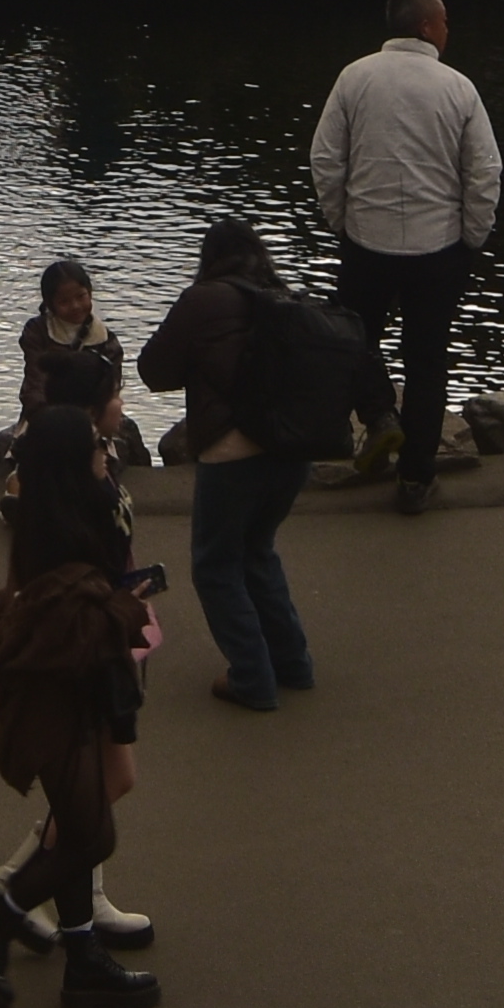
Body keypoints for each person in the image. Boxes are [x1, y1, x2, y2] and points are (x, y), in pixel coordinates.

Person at [0, 409, 168, 1008]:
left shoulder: (48, 520)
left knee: (78, 828)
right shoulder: (64, 540)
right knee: (91, 833)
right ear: (73, 461)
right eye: (97, 445)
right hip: (53, 708)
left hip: (63, 699)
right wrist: (127, 606)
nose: (107, 451)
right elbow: (73, 629)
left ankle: (81, 959)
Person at [137, 218, 377, 715]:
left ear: (209, 258)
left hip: (232, 453)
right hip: (291, 453)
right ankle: (293, 665)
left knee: (216, 566)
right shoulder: (283, 296)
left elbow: (153, 370)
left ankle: (251, 677)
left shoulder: (202, 300)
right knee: (257, 552)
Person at [308, 0, 504, 513]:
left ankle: (378, 416)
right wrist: (472, 236)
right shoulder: (458, 88)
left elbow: (325, 158)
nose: (448, 29)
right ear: (426, 27)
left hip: (366, 242)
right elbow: (484, 172)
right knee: (426, 361)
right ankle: (416, 477)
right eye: (444, 21)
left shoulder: (355, 78)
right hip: (437, 247)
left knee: (355, 341)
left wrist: (341, 220)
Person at [17, 259, 128, 450]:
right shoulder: (38, 331)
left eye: (81, 296)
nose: (75, 306)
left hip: (94, 416)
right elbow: (35, 381)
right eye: (64, 302)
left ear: (90, 293)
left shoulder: (106, 339)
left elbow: (111, 389)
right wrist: (47, 417)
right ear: (50, 304)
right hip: (44, 413)